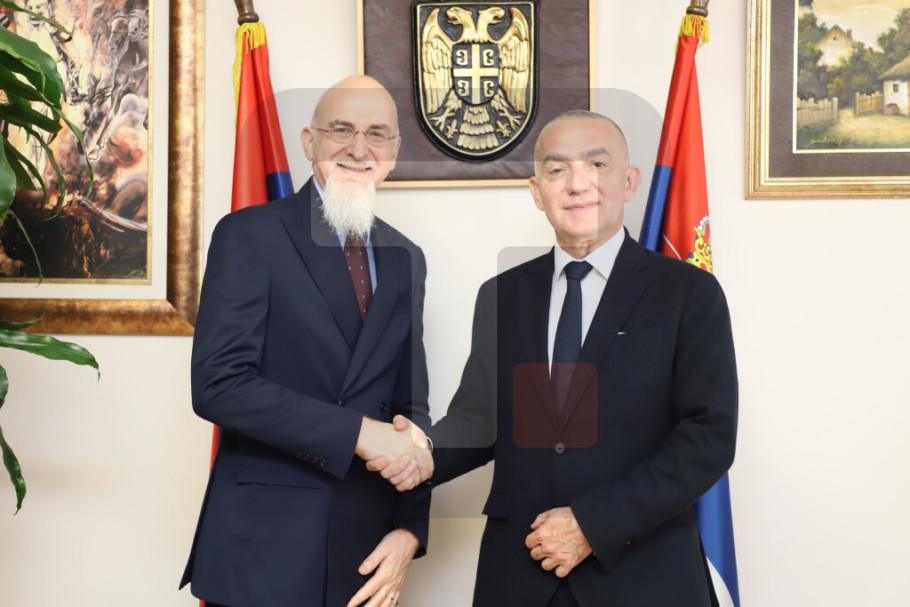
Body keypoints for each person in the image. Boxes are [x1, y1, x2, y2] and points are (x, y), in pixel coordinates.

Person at [375, 110, 738, 606]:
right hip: (519, 576)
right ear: (537, 190)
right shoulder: (501, 294)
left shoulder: (689, 293)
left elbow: (707, 438)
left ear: (629, 181)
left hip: (644, 576)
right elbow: (480, 421)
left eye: (597, 164)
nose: (577, 183)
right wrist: (420, 451)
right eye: (557, 168)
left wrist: (593, 523)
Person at [180, 75, 433, 607]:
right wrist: (358, 433)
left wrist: (409, 529)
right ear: (308, 142)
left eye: (376, 134)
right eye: (341, 130)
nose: (359, 149)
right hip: (261, 554)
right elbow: (219, 385)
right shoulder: (249, 233)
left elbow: (410, 411)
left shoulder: (407, 256)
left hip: (366, 557)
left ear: (393, 152)